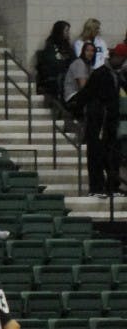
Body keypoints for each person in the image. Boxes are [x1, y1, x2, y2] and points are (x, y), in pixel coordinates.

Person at [72, 42, 127, 197]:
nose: (123, 61)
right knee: (96, 153)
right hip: (98, 121)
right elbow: (86, 94)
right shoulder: (101, 73)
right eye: (122, 58)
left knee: (112, 155)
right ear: (115, 57)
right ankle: (96, 187)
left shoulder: (118, 75)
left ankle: (112, 186)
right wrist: (76, 110)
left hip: (110, 121)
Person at [37, 20, 74, 96]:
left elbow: (73, 59)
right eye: (66, 31)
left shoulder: (67, 45)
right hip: (55, 75)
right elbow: (52, 62)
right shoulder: (50, 45)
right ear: (60, 31)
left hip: (67, 73)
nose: (68, 33)